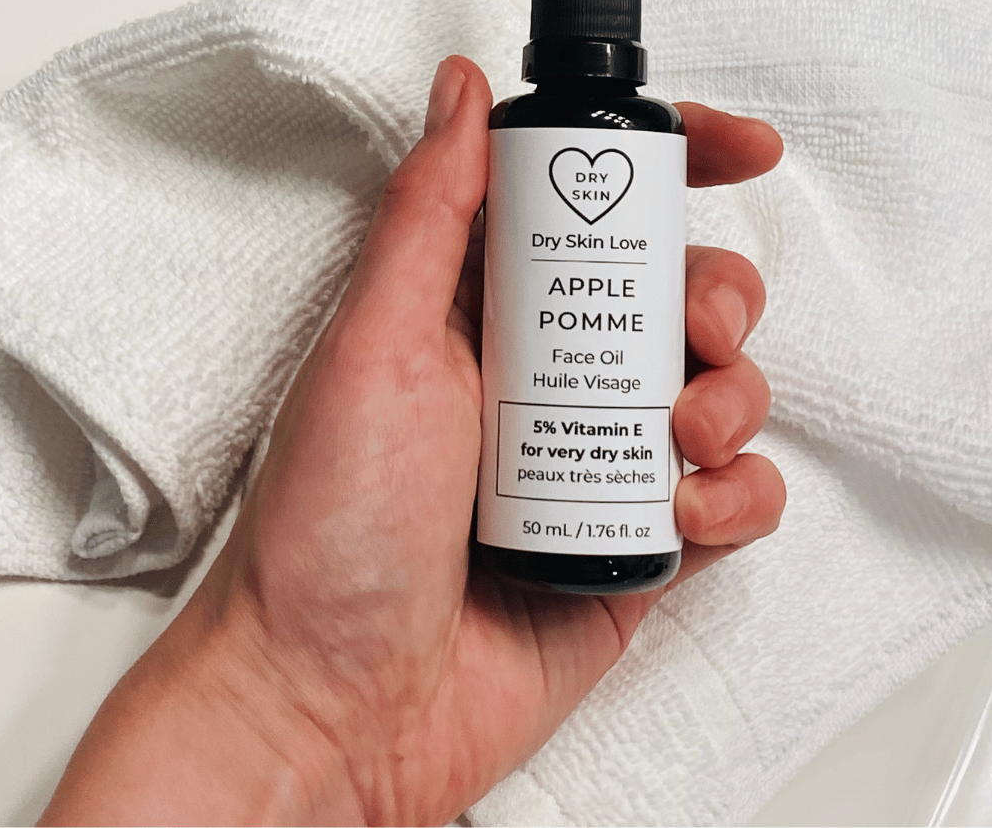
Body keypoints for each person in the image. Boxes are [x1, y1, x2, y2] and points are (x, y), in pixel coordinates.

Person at [40, 56, 787, 827]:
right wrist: (282, 688)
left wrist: (282, 712)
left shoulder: (642, 134)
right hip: (432, 593)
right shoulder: (525, 133)